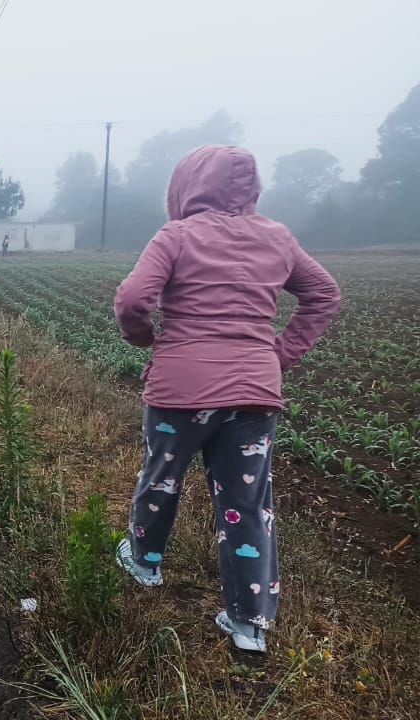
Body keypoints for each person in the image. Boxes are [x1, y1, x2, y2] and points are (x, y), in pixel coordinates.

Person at [113, 145, 340, 655]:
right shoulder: (278, 237)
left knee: (162, 477)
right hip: (255, 394)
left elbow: (132, 299)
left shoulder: (176, 235)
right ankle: (249, 625)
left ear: (188, 185)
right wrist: (280, 353)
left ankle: (145, 563)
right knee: (247, 503)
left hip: (180, 390)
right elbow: (324, 293)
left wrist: (144, 338)